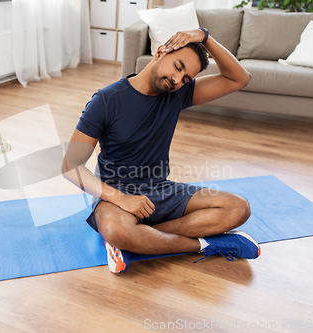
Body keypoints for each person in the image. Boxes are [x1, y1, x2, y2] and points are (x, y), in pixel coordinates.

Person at [62, 28, 260, 273]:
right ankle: (202, 245)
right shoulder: (106, 100)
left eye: (186, 78)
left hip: (160, 190)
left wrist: (205, 37)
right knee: (116, 229)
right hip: (115, 194)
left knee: (238, 208)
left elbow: (239, 78)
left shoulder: (178, 95)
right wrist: (121, 199)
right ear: (160, 52)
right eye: (178, 67)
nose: (178, 79)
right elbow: (70, 167)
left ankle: (133, 242)